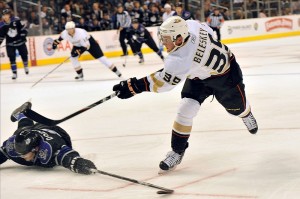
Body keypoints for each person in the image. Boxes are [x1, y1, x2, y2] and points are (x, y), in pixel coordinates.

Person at [112, 16, 258, 173]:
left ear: (179, 38)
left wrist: (133, 87)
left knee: (238, 109)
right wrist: (199, 62)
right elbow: (209, 34)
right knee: (185, 109)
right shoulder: (191, 25)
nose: (163, 43)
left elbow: (162, 84)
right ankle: (177, 151)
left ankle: (246, 114)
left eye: (167, 39)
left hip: (225, 77)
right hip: (199, 76)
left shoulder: (179, 60)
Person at [0, 102, 97, 175]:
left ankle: (23, 115)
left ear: (36, 149)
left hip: (55, 132)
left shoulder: (50, 148)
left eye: (25, 154)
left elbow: (66, 155)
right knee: (23, 130)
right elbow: (2, 154)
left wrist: (77, 162)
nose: (21, 156)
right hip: (35, 130)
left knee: (27, 129)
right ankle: (22, 114)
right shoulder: (12, 146)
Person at [52, 21, 122, 80]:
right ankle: (80, 74)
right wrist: (55, 44)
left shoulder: (81, 34)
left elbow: (86, 46)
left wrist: (78, 52)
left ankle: (116, 71)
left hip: (90, 44)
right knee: (73, 58)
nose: (69, 31)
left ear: (74, 28)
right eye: (67, 29)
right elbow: (59, 39)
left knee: (101, 58)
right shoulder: (65, 33)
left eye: (70, 29)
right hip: (77, 45)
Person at [0, 9, 29, 79]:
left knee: (24, 55)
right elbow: (1, 36)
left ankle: (26, 66)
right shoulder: (1, 25)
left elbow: (24, 29)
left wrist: (23, 35)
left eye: (6, 15)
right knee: (11, 58)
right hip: (10, 44)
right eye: (3, 15)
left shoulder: (16, 20)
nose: (5, 16)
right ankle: (14, 73)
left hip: (20, 42)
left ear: (9, 15)